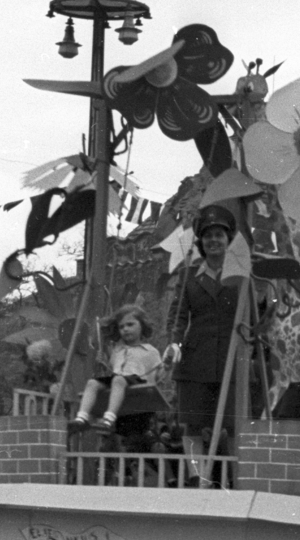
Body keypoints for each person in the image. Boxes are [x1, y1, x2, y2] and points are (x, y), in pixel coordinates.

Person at [169, 204, 254, 484]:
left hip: (232, 358)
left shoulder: (242, 274)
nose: (213, 241)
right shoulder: (189, 275)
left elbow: (256, 313)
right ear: (201, 242)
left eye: (219, 235)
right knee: (193, 424)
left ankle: (233, 479)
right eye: (208, 236)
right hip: (196, 361)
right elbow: (178, 315)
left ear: (229, 240)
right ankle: (197, 477)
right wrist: (174, 343)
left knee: (232, 424)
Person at [70, 303, 163, 434]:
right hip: (118, 380)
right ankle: (82, 417)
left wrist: (167, 368)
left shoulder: (150, 351)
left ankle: (108, 418)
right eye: (121, 327)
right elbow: (112, 370)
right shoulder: (117, 350)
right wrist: (103, 362)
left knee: (118, 380)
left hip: (138, 383)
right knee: (92, 383)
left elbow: (156, 376)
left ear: (142, 325)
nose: (125, 329)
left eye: (130, 324)